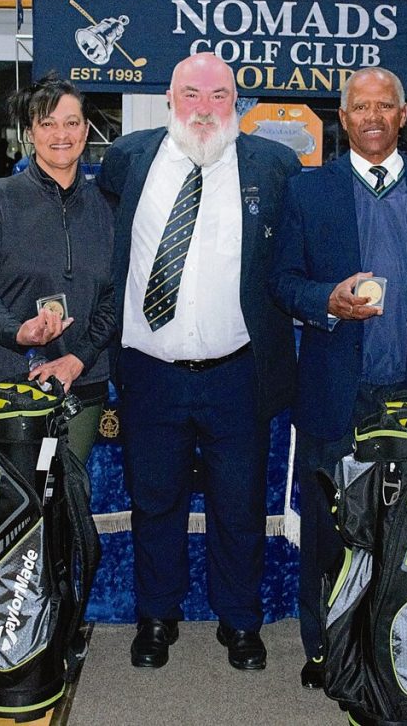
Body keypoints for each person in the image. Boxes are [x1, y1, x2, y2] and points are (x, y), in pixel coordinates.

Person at [271, 66, 407, 690]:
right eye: (361, 107)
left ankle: (402, 643)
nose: (374, 117)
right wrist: (325, 302)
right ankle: (325, 648)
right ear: (343, 116)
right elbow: (280, 282)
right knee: (332, 534)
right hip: (338, 394)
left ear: (404, 115)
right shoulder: (308, 191)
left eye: (387, 106)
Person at [98, 52, 300, 671]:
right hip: (149, 372)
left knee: (237, 507)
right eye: (191, 94)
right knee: (154, 503)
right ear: (168, 98)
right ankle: (157, 617)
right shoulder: (127, 160)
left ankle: (240, 622)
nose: (205, 109)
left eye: (219, 96)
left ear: (237, 101)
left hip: (237, 373)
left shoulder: (275, 164)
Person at [0, 73, 115, 463]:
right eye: (47, 123)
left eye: (71, 122)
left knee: (70, 503)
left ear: (86, 129)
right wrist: (19, 332)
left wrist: (79, 358)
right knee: (15, 505)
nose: (60, 134)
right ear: (30, 132)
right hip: (10, 381)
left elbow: (116, 296)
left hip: (82, 381)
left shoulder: (107, 207)